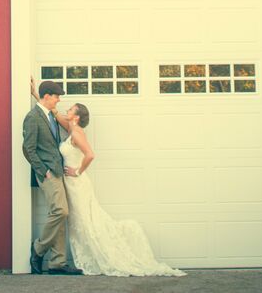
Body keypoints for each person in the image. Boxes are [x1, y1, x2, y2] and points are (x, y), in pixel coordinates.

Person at [31, 78, 184, 277]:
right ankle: (59, 261)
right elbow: (53, 112)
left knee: (84, 220)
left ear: (76, 117)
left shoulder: (77, 134)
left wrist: (78, 171)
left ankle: (91, 254)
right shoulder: (70, 129)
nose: (65, 108)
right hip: (65, 181)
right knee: (70, 217)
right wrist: (37, 96)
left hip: (76, 183)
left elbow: (90, 155)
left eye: (71, 110)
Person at [22, 79, 81, 275]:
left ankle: (58, 263)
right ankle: (38, 249)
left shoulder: (48, 114)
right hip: (48, 173)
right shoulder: (33, 117)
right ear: (47, 96)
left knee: (59, 214)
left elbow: (47, 107)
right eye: (56, 96)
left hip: (58, 171)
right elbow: (29, 149)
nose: (58, 100)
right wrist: (43, 171)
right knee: (61, 211)